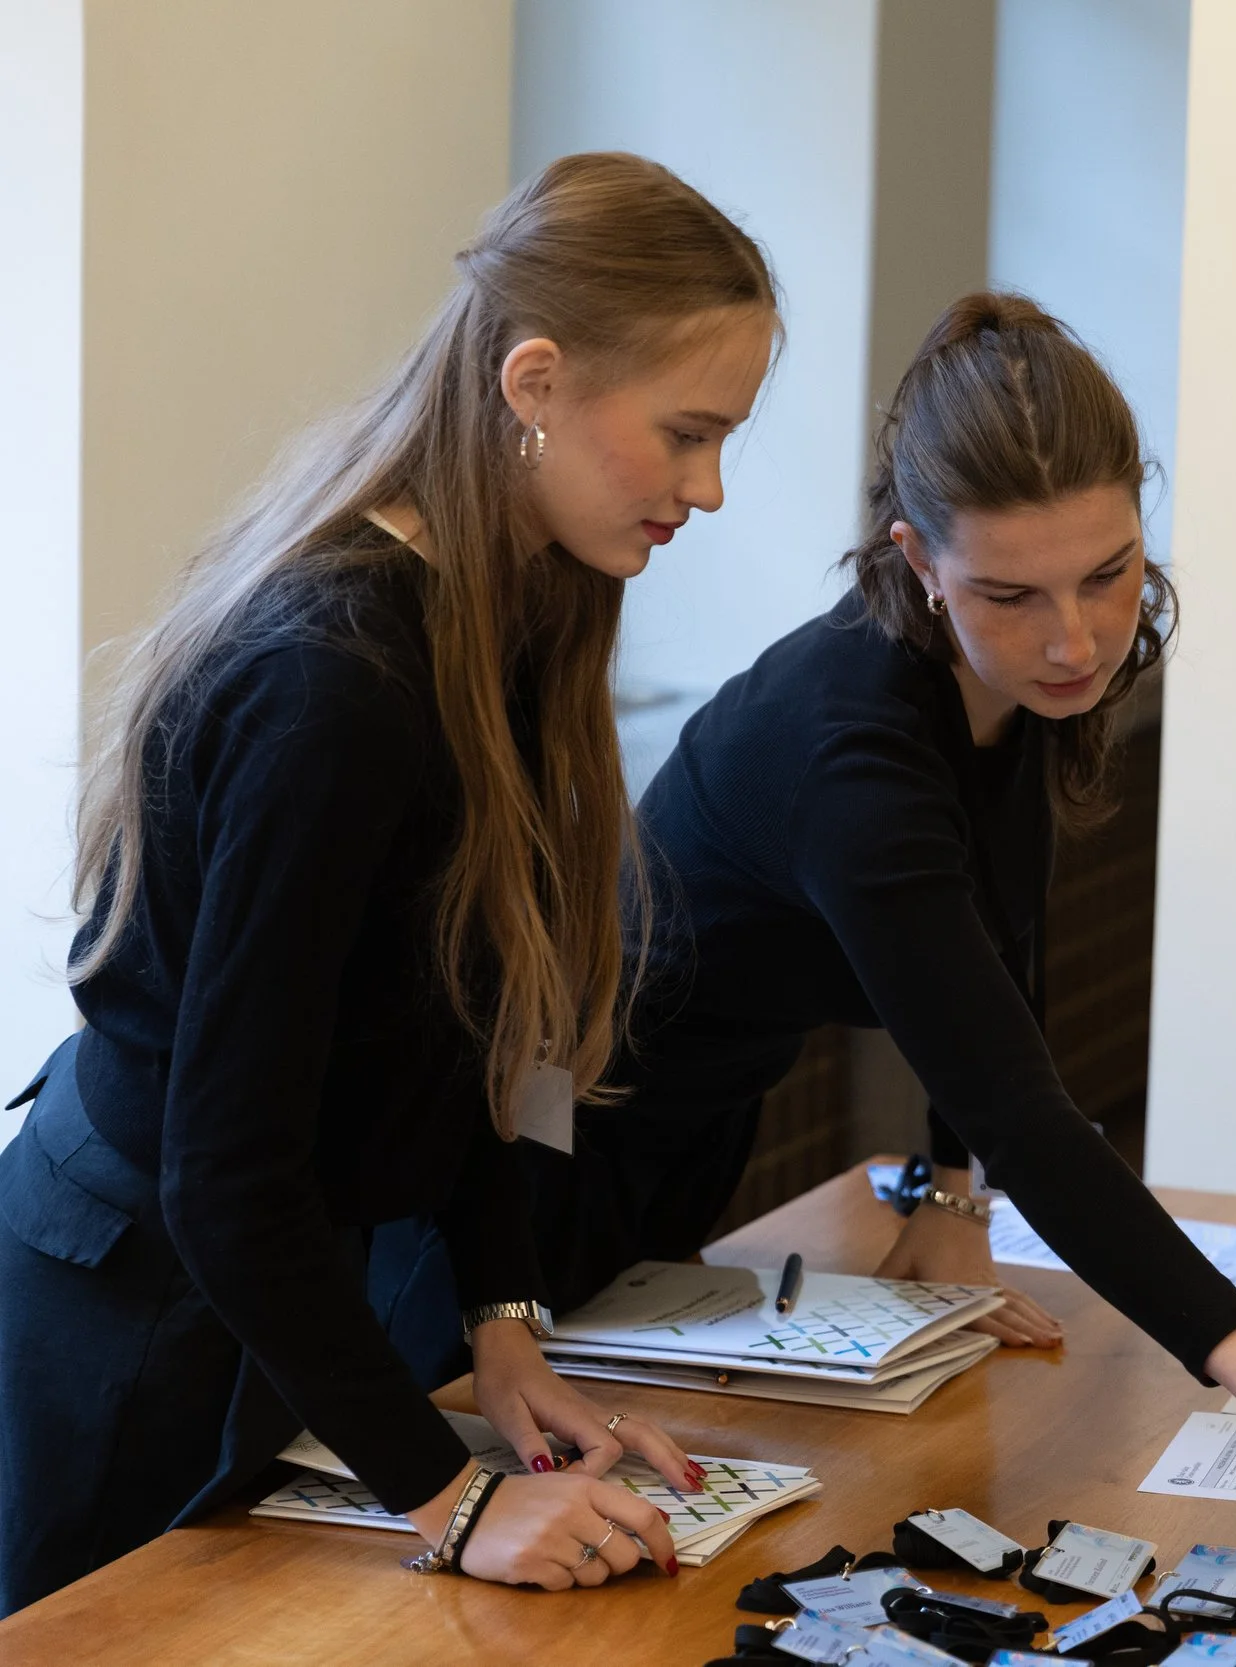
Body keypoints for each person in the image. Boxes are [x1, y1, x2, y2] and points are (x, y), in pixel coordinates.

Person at [517, 293, 1236, 1596]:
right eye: (1011, 591)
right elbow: (1022, 1099)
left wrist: (954, 1202)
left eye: (1110, 572)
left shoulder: (1009, 674)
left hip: (695, 1127)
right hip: (539, 1171)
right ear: (916, 558)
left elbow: (999, 930)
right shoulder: (853, 751)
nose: (1074, 637)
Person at [0, 151, 779, 1611]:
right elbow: (228, 1172)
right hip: (146, 1297)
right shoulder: (336, 686)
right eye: (685, 435)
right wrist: (451, 1496)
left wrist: (503, 1322)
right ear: (534, 381)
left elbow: (480, 1017)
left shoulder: (521, 609)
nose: (709, 489)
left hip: (274, 1271)